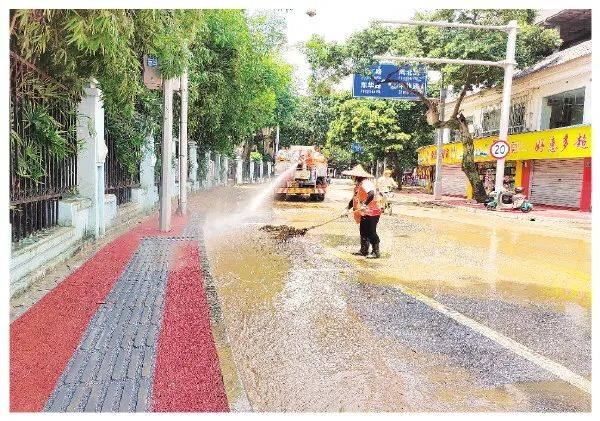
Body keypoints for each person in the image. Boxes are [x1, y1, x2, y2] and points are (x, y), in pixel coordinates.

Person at [341, 164, 382, 258]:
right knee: (363, 231)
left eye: (353, 176)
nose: (352, 178)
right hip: (364, 211)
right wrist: (346, 209)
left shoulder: (366, 183)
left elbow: (371, 193)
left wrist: (364, 204)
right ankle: (364, 250)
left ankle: (376, 252)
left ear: (357, 176)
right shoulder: (359, 185)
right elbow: (354, 198)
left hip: (372, 211)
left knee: (371, 232)